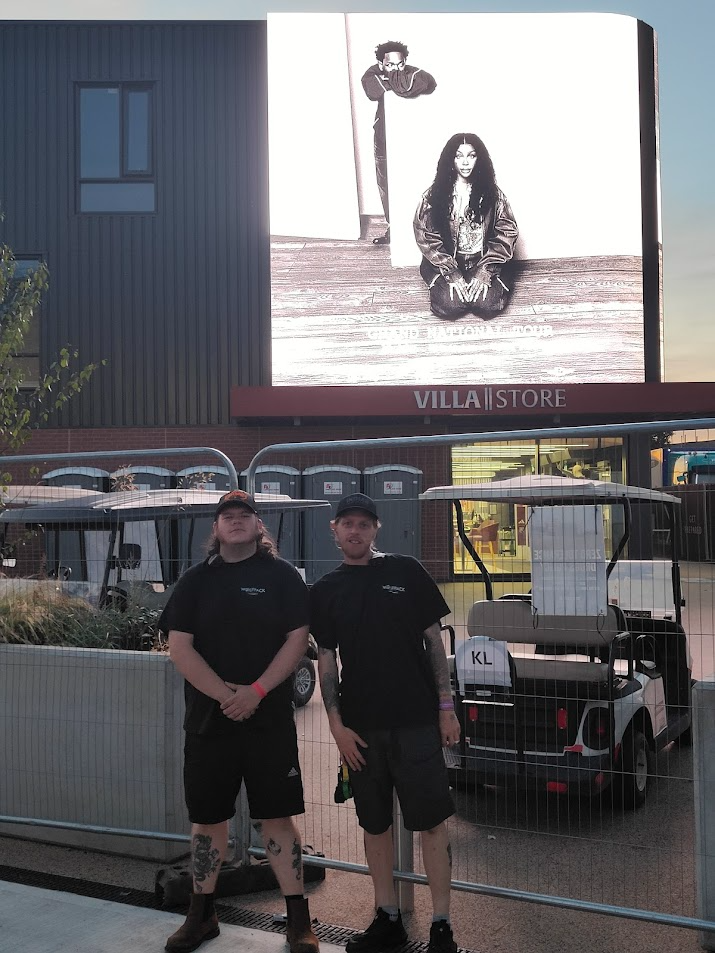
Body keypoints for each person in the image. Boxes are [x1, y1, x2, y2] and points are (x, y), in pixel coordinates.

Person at [160, 489, 319, 953]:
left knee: (277, 819)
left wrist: (255, 692)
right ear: (216, 528)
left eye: (243, 515)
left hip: (267, 721)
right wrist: (227, 695)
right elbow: (180, 648)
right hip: (209, 723)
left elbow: (297, 639)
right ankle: (201, 916)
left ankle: (297, 920)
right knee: (208, 822)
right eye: (226, 515)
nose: (235, 521)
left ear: (257, 526)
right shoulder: (194, 582)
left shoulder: (282, 577)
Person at [310, 493, 460, 953]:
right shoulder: (326, 589)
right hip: (361, 731)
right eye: (347, 523)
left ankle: (441, 925)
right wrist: (335, 725)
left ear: (376, 530)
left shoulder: (406, 572)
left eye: (364, 524)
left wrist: (445, 706)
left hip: (416, 723)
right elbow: (328, 662)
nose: (355, 531)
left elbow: (434, 642)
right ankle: (387, 916)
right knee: (375, 827)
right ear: (333, 530)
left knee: (431, 825)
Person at [414, 132, 518, 320]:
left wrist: (485, 271)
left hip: (483, 260)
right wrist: (452, 272)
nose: (465, 162)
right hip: (448, 263)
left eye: (471, 155)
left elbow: (507, 233)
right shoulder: (433, 195)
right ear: (450, 159)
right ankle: (451, 287)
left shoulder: (494, 195)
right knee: (450, 306)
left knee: (487, 306)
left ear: (480, 158)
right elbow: (426, 236)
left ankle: (484, 284)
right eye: (458, 155)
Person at [361, 41, 437, 245]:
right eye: (389, 65)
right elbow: (372, 89)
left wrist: (392, 82)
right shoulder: (372, 73)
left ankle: (423, 231)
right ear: (380, 63)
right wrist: (401, 82)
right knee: (386, 184)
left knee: (414, 181)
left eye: (400, 64)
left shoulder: (415, 72)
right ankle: (394, 229)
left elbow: (427, 82)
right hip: (383, 136)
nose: (395, 69)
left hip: (409, 137)